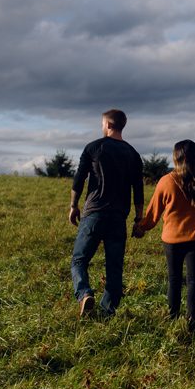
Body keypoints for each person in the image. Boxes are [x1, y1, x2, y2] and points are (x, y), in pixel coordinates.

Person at [69, 109, 144, 319]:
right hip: (118, 218)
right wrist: (139, 219)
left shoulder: (94, 147)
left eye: (102, 124)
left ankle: (84, 294)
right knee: (114, 270)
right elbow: (138, 189)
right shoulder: (133, 154)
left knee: (79, 261)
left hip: (94, 214)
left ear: (108, 125)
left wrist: (73, 206)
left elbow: (79, 179)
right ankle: (107, 313)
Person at [136, 139, 195, 330]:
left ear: (176, 158)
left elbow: (153, 213)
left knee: (174, 279)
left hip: (172, 240)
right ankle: (192, 319)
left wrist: (142, 227)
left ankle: (172, 317)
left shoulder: (167, 181)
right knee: (194, 280)